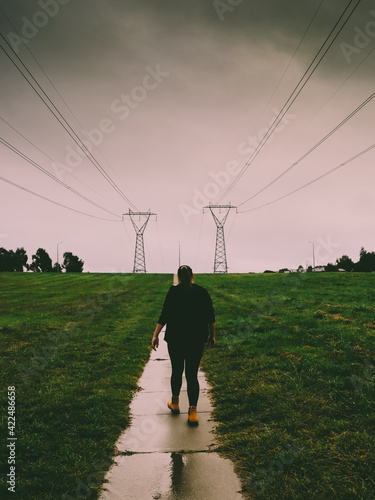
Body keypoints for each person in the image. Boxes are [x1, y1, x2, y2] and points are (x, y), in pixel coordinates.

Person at [151, 265, 215, 426]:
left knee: (177, 370)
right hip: (196, 338)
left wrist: (155, 334)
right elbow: (211, 316)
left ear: (179, 277)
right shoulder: (202, 292)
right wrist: (212, 336)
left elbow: (164, 314)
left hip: (175, 338)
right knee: (192, 374)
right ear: (193, 275)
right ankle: (192, 412)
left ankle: (175, 403)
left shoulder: (173, 292)